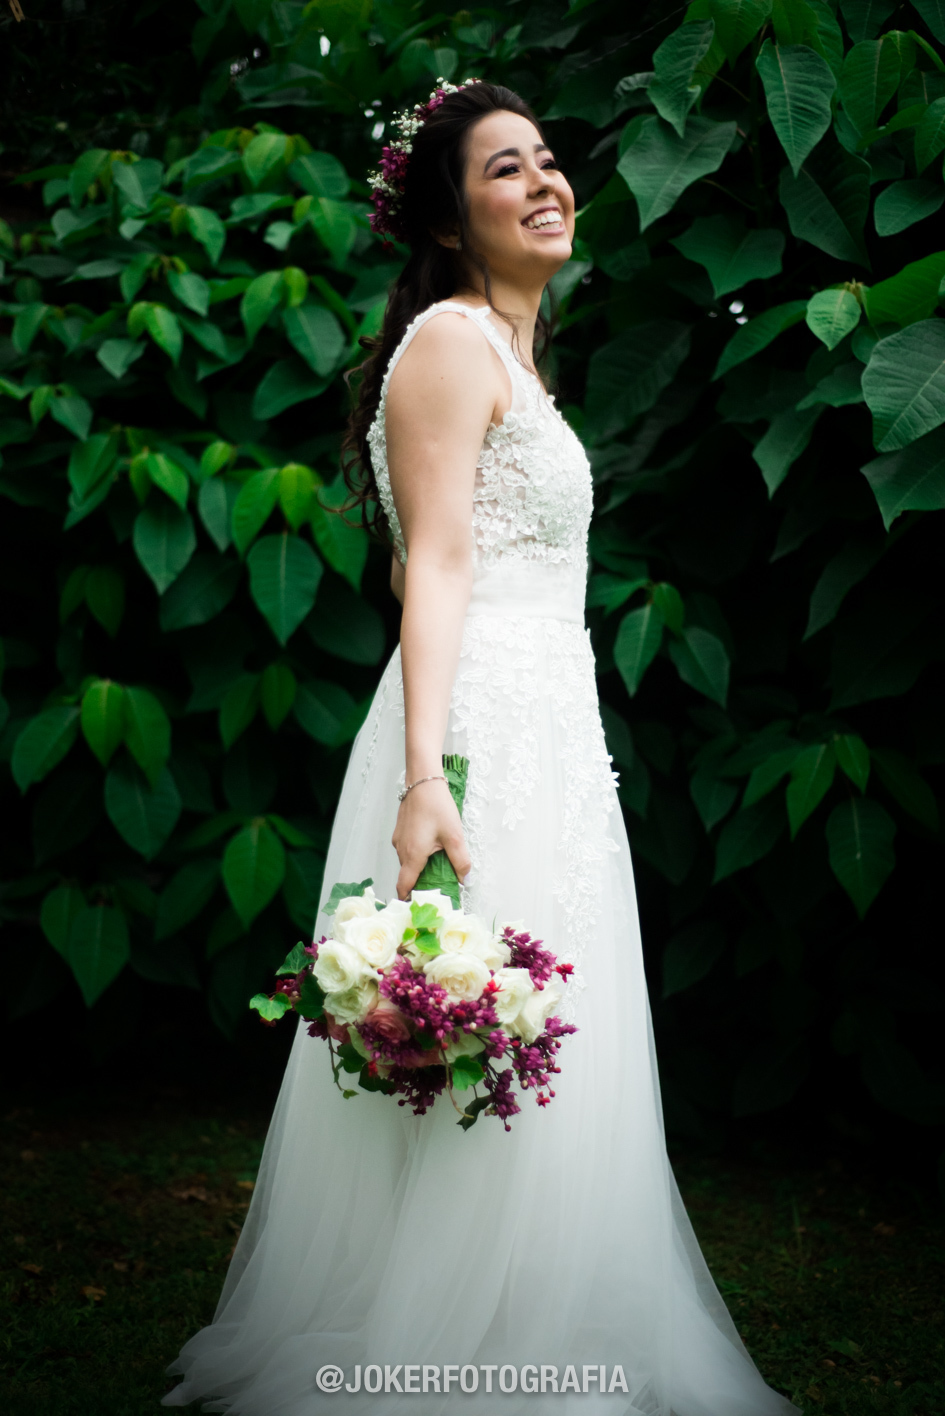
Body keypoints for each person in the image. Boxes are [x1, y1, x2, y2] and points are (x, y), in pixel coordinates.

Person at [163, 81, 799, 1416]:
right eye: (509, 169)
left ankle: (538, 1308)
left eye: (552, 162)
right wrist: (420, 780)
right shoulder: (451, 343)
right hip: (476, 729)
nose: (547, 184)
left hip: (550, 718)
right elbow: (435, 565)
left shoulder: (515, 351)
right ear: (452, 218)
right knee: (478, 1007)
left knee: (541, 1017)